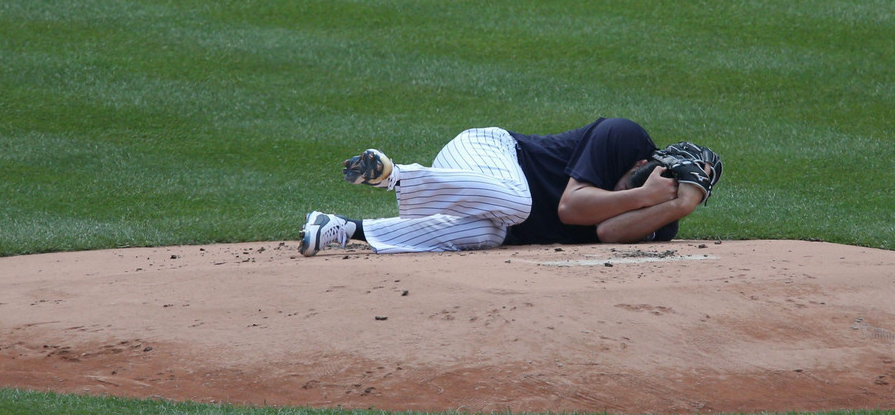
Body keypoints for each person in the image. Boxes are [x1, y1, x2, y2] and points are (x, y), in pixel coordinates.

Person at [298, 118, 721, 256]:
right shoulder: (622, 136)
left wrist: (675, 208)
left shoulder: (662, 211)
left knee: (489, 234)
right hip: (486, 155)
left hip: (491, 211)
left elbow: (606, 233)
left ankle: (341, 227)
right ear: (648, 163)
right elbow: (571, 210)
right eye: (638, 180)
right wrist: (646, 195)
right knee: (520, 202)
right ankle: (396, 176)